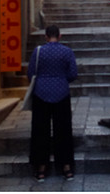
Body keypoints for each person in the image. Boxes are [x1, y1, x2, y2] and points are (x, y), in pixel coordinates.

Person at [27, 24, 78, 181]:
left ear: (46, 37)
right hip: (61, 93)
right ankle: (66, 167)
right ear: (60, 36)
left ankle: (41, 168)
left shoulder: (38, 51)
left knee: (40, 130)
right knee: (63, 130)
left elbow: (30, 73)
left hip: (41, 94)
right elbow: (73, 74)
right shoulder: (67, 52)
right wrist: (61, 80)